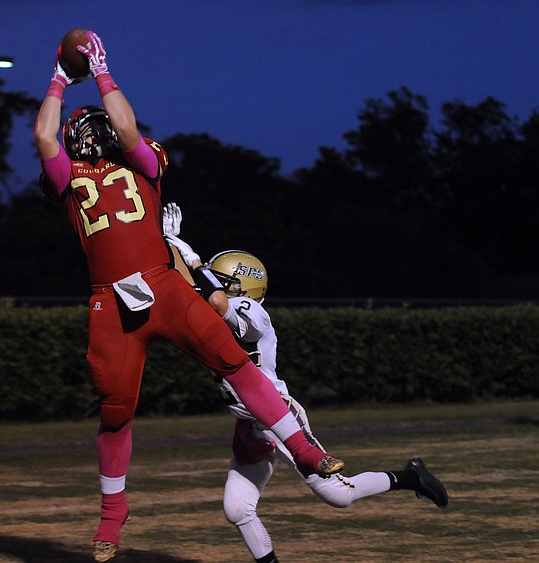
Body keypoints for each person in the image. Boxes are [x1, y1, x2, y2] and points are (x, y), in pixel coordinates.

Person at [33, 30, 344, 562]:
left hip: (162, 282)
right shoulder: (69, 179)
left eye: (88, 128)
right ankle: (113, 513)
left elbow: (127, 126)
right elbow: (44, 138)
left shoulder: (144, 165)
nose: (82, 136)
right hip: (111, 303)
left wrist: (102, 70)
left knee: (236, 363)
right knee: (115, 410)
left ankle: (305, 449)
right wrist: (60, 77)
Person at [162, 202, 449, 563]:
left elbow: (214, 301)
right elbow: (186, 291)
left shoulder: (254, 313)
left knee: (338, 495)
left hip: (277, 415)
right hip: (250, 424)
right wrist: (167, 244)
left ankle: (411, 477)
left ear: (241, 287)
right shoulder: (225, 305)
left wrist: (183, 248)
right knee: (237, 509)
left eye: (223, 281)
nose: (214, 285)